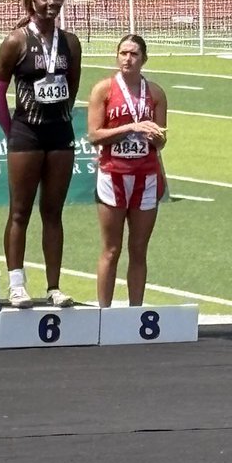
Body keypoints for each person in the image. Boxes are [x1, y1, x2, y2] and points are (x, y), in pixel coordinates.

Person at [0, 0, 82, 308]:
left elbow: (72, 86)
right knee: (19, 212)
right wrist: (10, 130)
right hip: (25, 133)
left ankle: (54, 286)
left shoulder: (70, 43)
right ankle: (17, 284)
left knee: (53, 212)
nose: (50, 3)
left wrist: (61, 115)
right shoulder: (15, 41)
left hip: (60, 133)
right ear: (32, 0)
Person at [87, 35, 168, 307]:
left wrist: (156, 137)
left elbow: (161, 141)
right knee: (111, 249)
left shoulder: (155, 93)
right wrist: (131, 128)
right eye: (123, 53)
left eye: (133, 54)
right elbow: (94, 135)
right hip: (113, 174)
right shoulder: (104, 90)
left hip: (146, 175)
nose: (127, 59)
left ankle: (136, 311)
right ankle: (104, 311)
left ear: (144, 59)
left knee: (139, 250)